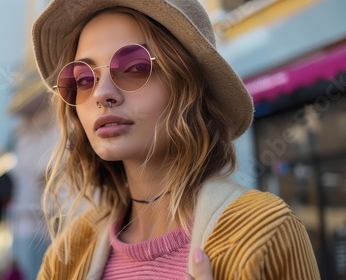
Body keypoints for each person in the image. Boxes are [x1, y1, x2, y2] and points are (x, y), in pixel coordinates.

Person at [32, 0, 320, 279]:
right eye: (83, 79)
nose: (101, 93)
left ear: (187, 85)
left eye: (134, 67)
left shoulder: (262, 231)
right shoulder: (68, 255)